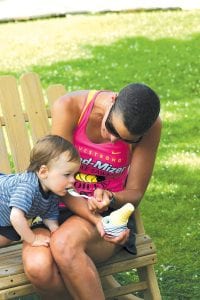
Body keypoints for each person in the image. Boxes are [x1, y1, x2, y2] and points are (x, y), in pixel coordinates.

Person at [22, 83, 162, 300]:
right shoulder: (69, 107)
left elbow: (135, 192)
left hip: (107, 217)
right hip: (55, 208)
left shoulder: (150, 126)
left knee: (64, 245)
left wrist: (111, 198)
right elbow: (56, 182)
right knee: (38, 266)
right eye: (112, 128)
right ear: (112, 100)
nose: (114, 140)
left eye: (127, 140)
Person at [0, 134, 80, 247]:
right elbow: (16, 217)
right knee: (16, 226)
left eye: (74, 175)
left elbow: (49, 216)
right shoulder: (27, 187)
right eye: (67, 174)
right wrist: (33, 239)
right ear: (43, 172)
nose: (73, 180)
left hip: (5, 220)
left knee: (11, 236)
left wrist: (55, 230)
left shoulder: (52, 192)